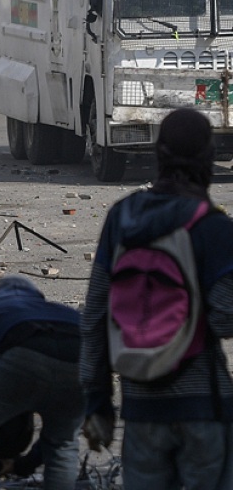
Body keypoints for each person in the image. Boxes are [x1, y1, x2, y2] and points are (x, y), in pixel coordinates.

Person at [81, 107, 233, 490]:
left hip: (141, 408)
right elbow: (224, 319)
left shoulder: (122, 217)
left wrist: (97, 401)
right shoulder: (212, 226)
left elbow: (95, 314)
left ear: (158, 154)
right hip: (204, 406)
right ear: (208, 158)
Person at [0, 276, 84, 490]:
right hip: (79, 355)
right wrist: (23, 465)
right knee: (62, 445)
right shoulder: (56, 310)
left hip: (21, 350)